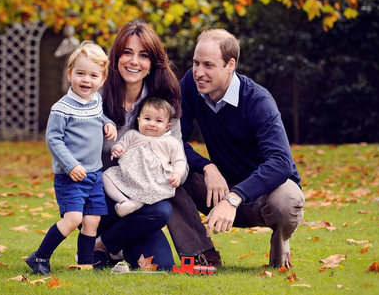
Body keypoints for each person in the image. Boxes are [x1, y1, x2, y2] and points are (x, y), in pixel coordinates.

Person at [167, 29, 305, 269]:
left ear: (230, 65)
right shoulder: (191, 83)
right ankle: (202, 255)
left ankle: (279, 250)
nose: (199, 72)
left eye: (208, 65)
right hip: (218, 188)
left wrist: (234, 197)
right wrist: (207, 166)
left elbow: (281, 162)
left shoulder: (258, 101)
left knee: (288, 200)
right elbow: (171, 139)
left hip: (263, 196)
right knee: (166, 170)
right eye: (196, 63)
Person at [93, 20, 186, 270]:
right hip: (100, 197)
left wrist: (168, 175)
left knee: (162, 262)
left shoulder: (164, 103)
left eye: (143, 55)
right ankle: (107, 242)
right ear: (116, 57)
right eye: (127, 53)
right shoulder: (96, 97)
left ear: (152, 63)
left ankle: (103, 245)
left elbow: (179, 157)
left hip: (143, 202)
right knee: (152, 212)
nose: (134, 62)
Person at [26, 41, 117, 275]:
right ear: (69, 75)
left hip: (94, 174)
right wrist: (71, 165)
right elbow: (53, 140)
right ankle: (39, 257)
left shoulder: (96, 101)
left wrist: (109, 123)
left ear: (103, 78)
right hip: (71, 176)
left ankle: (85, 264)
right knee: (74, 218)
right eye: (80, 74)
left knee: (92, 222)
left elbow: (100, 117)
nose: (86, 80)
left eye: (93, 75)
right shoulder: (61, 108)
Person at [103, 97, 187, 217]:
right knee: (106, 176)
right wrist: (116, 150)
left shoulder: (171, 142)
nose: (152, 124)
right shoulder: (132, 135)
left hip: (152, 180)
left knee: (147, 191)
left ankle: (132, 205)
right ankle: (123, 201)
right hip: (127, 175)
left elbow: (179, 160)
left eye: (158, 121)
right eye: (147, 119)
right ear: (139, 121)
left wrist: (177, 174)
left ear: (167, 126)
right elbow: (120, 145)